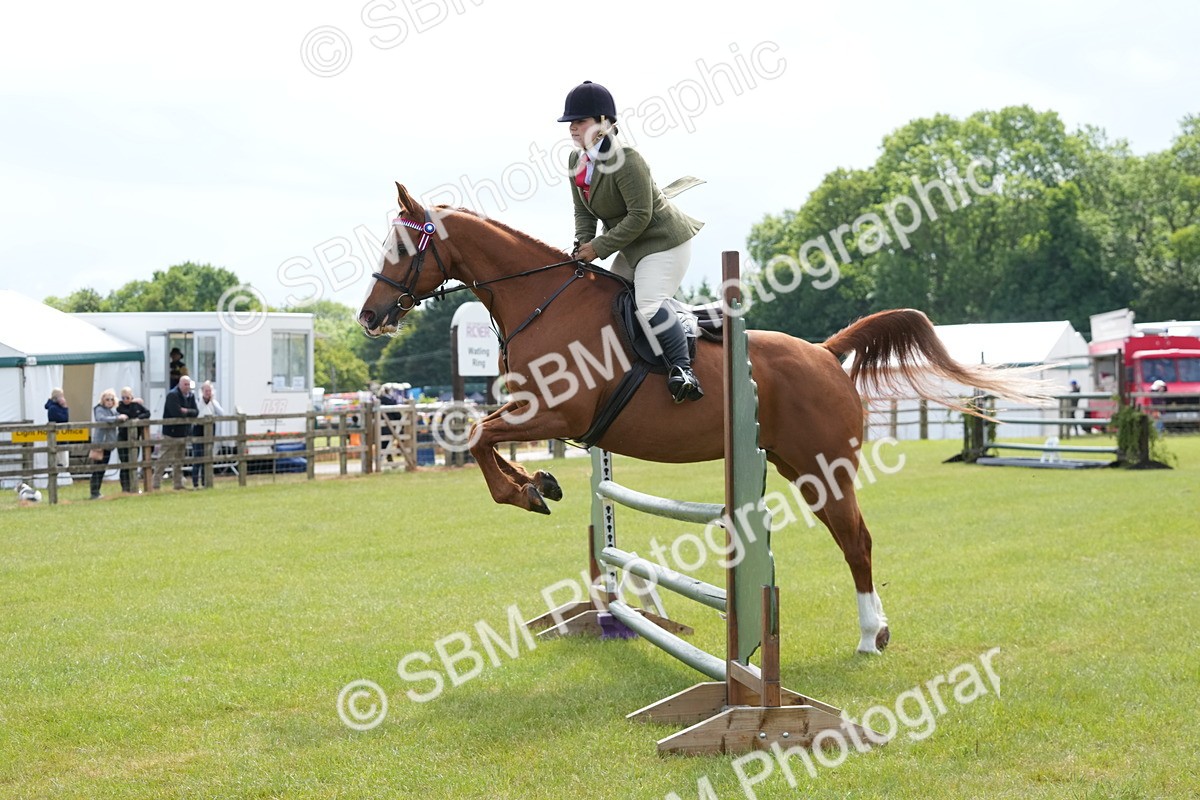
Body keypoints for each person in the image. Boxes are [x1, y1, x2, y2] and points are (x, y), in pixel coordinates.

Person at [560, 80, 705, 403]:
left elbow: (640, 216)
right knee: (607, 298)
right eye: (570, 123)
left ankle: (683, 371)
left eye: (579, 121)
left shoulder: (627, 158)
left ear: (602, 122)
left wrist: (597, 249)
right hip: (631, 246)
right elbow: (583, 214)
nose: (572, 128)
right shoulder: (576, 162)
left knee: (647, 303)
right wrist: (581, 245)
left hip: (665, 243)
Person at [153, 376, 198, 490]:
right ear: (180, 384)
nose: (187, 387)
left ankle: (178, 484)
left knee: (179, 459)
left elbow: (196, 411)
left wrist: (186, 410)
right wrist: (186, 412)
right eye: (185, 384)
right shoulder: (172, 395)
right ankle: (155, 483)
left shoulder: (191, 396)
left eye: (188, 385)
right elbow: (176, 412)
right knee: (163, 458)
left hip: (183, 433)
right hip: (171, 433)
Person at [89, 389, 126, 500]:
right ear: (103, 400)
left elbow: (119, 416)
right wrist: (117, 418)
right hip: (101, 443)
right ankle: (94, 492)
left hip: (108, 444)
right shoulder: (99, 409)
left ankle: (96, 491)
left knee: (102, 468)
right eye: (107, 399)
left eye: (111, 399)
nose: (109, 401)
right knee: (98, 468)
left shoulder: (112, 411)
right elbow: (101, 419)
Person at [117, 387, 151, 493]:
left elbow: (147, 413)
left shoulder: (137, 406)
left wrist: (138, 418)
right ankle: (125, 487)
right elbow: (127, 414)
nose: (126, 400)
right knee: (125, 463)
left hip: (135, 439)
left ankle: (134, 486)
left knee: (134, 462)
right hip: (123, 438)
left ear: (131, 397)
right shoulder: (120, 407)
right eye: (123, 398)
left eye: (128, 397)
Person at [192, 380, 225, 488]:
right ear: (202, 391)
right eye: (206, 391)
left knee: (208, 455)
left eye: (209, 391)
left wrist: (213, 402)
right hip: (199, 429)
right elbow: (195, 414)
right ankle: (195, 483)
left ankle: (206, 481)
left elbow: (221, 413)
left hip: (210, 429)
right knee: (197, 456)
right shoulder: (197, 401)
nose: (208, 393)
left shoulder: (214, 402)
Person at [44, 388, 71, 468]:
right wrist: (65, 407)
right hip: (58, 437)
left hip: (61, 437)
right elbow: (64, 419)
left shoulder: (53, 407)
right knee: (61, 461)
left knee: (62, 458)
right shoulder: (53, 408)